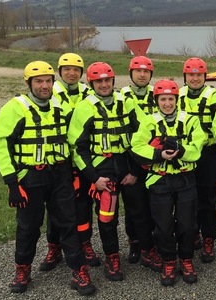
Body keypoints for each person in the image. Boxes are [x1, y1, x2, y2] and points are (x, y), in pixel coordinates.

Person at [0, 61, 95, 295]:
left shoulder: (63, 108)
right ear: (29, 83)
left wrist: (76, 173)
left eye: (48, 81)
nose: (44, 86)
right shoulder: (15, 108)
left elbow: (74, 141)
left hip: (60, 175)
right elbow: (0, 147)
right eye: (38, 81)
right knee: (28, 227)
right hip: (30, 176)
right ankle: (23, 269)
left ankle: (78, 269)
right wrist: (12, 184)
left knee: (69, 223)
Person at [68, 62, 162, 282]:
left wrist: (138, 171)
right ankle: (112, 257)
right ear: (91, 83)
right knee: (107, 217)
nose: (103, 84)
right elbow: (78, 147)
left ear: (113, 81)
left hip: (128, 164)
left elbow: (145, 133)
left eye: (107, 80)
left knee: (139, 210)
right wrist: (94, 178)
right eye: (98, 81)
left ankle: (146, 249)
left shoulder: (127, 102)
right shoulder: (84, 107)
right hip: (103, 170)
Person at [129, 79, 206, 286]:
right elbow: (136, 145)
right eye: (163, 99)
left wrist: (181, 151)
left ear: (176, 100)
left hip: (185, 178)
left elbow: (198, 146)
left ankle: (187, 260)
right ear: (157, 101)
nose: (167, 103)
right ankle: (169, 261)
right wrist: (158, 153)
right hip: (159, 180)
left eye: (170, 99)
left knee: (187, 224)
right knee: (162, 226)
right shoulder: (149, 121)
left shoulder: (190, 120)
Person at [41, 52, 95, 272]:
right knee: (57, 206)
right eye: (67, 69)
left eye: (76, 69)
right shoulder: (49, 94)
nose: (72, 73)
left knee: (84, 203)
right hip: (59, 160)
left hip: (83, 158)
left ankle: (85, 243)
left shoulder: (88, 92)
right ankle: (54, 246)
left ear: (81, 73)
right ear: (59, 72)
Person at [178, 57, 216, 263]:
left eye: (198, 75)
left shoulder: (212, 95)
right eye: (191, 75)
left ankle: (208, 238)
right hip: (185, 154)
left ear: (204, 76)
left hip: (207, 153)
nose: (195, 78)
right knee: (186, 198)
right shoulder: (177, 96)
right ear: (185, 76)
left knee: (207, 198)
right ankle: (191, 233)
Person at [120, 55, 156, 263]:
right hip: (131, 158)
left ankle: (151, 243)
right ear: (131, 73)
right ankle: (135, 243)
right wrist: (134, 168)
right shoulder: (122, 97)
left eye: (146, 72)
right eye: (138, 71)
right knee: (134, 205)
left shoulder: (159, 93)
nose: (142, 75)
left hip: (154, 157)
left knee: (154, 203)